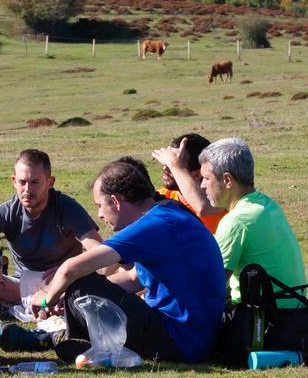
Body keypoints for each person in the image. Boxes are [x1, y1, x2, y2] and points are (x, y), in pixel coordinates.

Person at [33, 156, 226, 364]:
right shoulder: (171, 211)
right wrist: (63, 295)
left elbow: (70, 269)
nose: (99, 214)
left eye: (99, 205)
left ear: (115, 201)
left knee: (80, 284)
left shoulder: (153, 224)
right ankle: (76, 342)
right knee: (78, 287)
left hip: (177, 340)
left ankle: (84, 347)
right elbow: (135, 278)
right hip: (199, 339)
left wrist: (46, 299)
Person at [0, 148, 101, 305]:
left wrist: (66, 268)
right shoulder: (5, 212)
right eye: (22, 182)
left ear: (50, 183)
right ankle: (32, 301)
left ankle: (44, 301)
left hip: (64, 282)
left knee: (86, 282)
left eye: (35, 182)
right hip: (20, 286)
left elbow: (99, 250)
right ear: (13, 181)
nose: (27, 190)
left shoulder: (66, 208)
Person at [198, 137, 306, 305]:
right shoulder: (267, 204)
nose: (202, 185)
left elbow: (207, 285)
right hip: (296, 311)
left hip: (264, 322)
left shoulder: (236, 221)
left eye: (206, 178)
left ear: (227, 180)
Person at [150, 132, 224, 233]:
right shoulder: (161, 197)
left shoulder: (221, 200)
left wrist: (174, 164)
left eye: (177, 162)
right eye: (166, 162)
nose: (165, 168)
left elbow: (203, 207)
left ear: (198, 174)